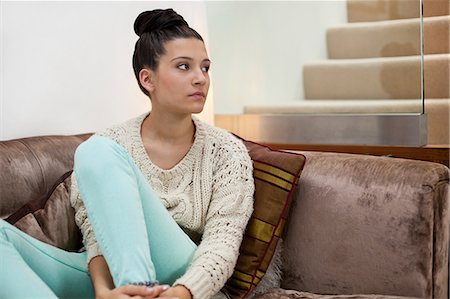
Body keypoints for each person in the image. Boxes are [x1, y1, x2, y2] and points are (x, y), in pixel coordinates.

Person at [0, 8, 255, 299]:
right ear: (148, 79)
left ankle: (139, 289)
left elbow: (222, 245)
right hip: (113, 277)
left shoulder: (227, 151)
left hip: (183, 281)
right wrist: (103, 291)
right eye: (184, 66)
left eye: (205, 67)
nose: (200, 78)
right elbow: (98, 235)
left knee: (97, 151)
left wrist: (182, 293)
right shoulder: (113, 143)